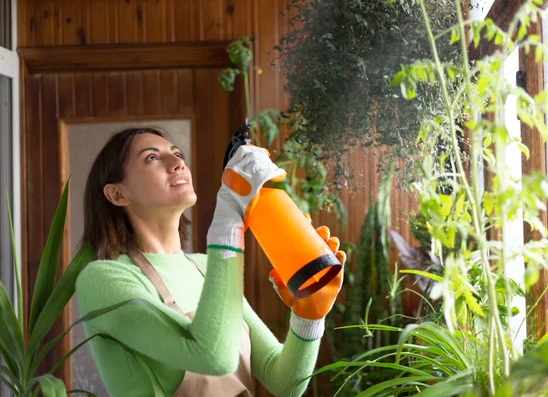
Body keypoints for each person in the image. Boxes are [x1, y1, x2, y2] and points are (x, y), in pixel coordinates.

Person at [75, 126, 346, 397]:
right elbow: (212, 357)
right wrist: (228, 218)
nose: (177, 163)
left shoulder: (205, 268)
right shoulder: (104, 279)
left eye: (177, 153)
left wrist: (308, 317)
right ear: (117, 195)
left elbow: (284, 384)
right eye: (152, 158)